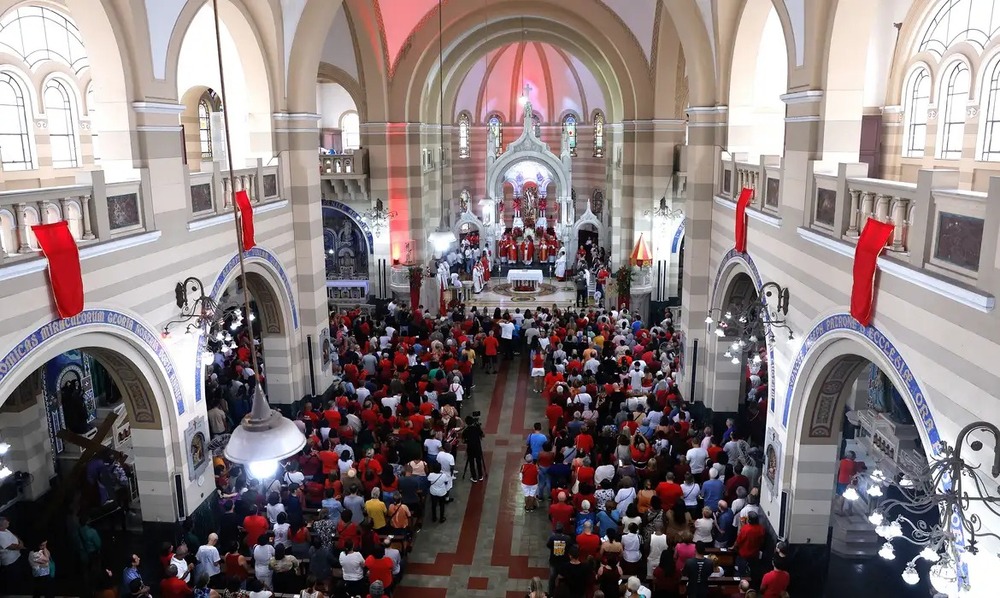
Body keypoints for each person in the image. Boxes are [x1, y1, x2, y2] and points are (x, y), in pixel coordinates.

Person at [0, 517, 24, 589]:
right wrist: (21, 546)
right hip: (10, 561)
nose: (8, 522)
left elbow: (14, 535)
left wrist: (20, 541)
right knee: (13, 577)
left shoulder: (5, 529)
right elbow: (12, 547)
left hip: (16, 557)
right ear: (1, 525)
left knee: (18, 574)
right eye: (6, 522)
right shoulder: (0, 536)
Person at [462, 415, 486, 482]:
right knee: (479, 461)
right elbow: (483, 435)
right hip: (478, 448)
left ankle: (474, 477)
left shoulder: (466, 431)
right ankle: (480, 476)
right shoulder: (477, 428)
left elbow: (463, 441)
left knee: (471, 463)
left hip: (470, 449)